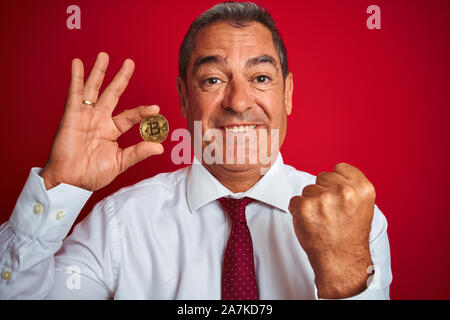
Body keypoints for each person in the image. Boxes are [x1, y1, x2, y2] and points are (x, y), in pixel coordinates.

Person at [0, 1, 392, 299]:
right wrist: (59, 185)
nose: (239, 102)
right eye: (212, 79)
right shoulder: (118, 225)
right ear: (184, 99)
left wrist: (345, 277)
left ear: (287, 93)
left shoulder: (356, 221)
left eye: (259, 77)